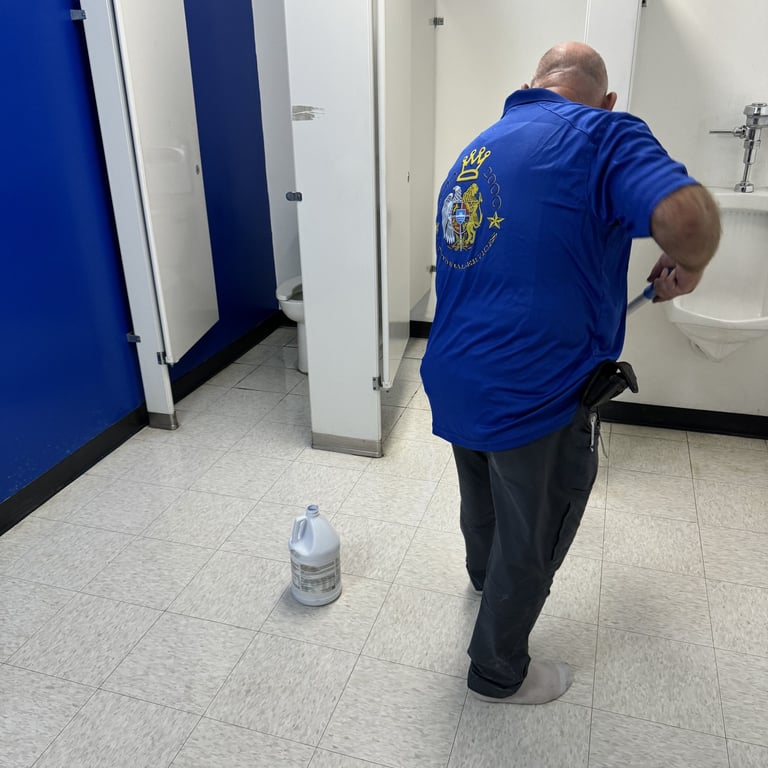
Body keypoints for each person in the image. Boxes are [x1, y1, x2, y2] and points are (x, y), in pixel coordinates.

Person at [420, 41, 720, 705]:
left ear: (529, 86)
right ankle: (499, 671)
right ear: (607, 100)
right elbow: (689, 219)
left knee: (484, 494)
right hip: (535, 392)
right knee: (535, 528)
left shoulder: (481, 145)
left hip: (452, 370)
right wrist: (690, 263)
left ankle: (481, 580)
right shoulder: (605, 130)